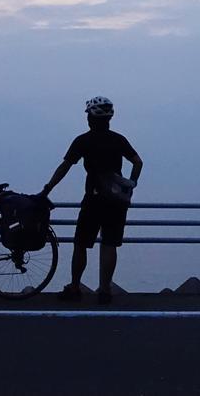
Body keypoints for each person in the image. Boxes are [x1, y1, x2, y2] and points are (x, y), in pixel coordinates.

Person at [40, 95, 143, 304]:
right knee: (109, 243)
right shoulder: (118, 139)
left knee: (81, 243)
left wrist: (47, 190)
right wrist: (130, 185)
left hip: (93, 199)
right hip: (116, 201)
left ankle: (75, 287)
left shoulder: (83, 141)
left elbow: (65, 167)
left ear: (91, 119)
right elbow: (138, 162)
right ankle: (105, 290)